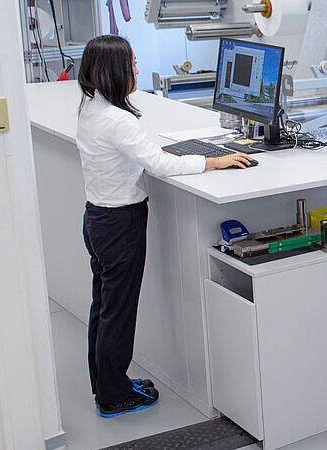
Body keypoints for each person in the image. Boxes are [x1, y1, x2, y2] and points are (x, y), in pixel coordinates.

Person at [76, 35, 252, 418]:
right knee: (118, 311)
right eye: (132, 64)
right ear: (114, 72)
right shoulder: (117, 120)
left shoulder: (90, 107)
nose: (137, 71)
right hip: (120, 224)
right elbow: (159, 165)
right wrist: (213, 162)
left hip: (97, 219)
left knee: (103, 305)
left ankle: (105, 382)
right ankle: (114, 395)